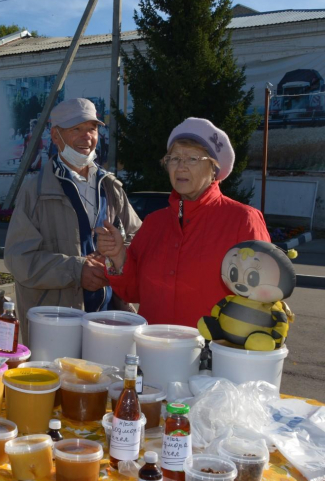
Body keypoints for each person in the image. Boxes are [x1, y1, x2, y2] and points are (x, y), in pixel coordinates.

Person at [96, 117, 270, 328]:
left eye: (192, 159)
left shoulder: (243, 220)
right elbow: (132, 292)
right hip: (154, 350)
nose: (181, 167)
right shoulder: (153, 223)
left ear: (214, 169)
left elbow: (262, 298)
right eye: (174, 158)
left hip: (213, 355)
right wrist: (117, 256)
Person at [4, 98, 141, 343]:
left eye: (92, 128)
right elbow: (18, 259)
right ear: (56, 136)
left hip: (108, 321)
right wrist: (76, 270)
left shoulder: (111, 188)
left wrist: (119, 254)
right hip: (55, 324)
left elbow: (141, 243)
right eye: (75, 129)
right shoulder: (34, 192)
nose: (86, 136)